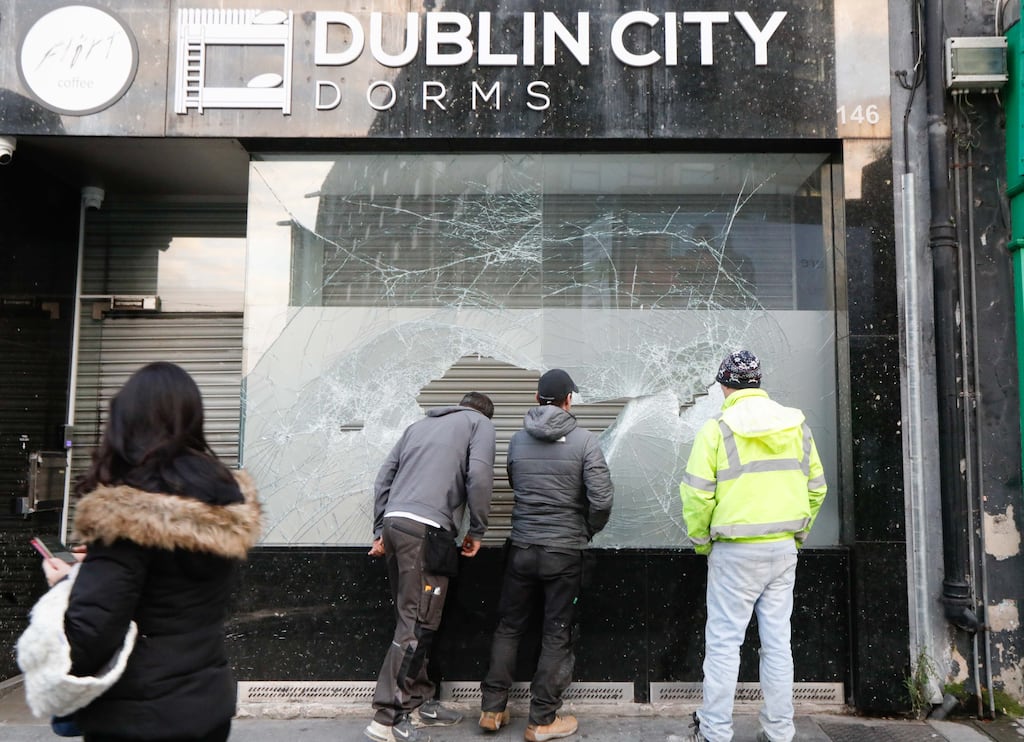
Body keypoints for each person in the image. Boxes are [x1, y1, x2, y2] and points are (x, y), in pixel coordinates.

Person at [31, 361, 263, 742]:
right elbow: (172, 593)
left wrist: (65, 586)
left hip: (138, 714)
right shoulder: (222, 500)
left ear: (127, 422)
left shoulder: (125, 515)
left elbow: (89, 636)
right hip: (206, 704)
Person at [679, 350, 827, 742]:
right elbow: (817, 488)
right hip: (782, 551)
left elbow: (696, 495)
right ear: (758, 383)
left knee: (726, 646)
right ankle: (779, 732)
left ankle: (714, 732)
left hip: (734, 551)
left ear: (725, 386)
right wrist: (798, 534)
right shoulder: (797, 426)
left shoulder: (717, 428)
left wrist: (701, 543)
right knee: (778, 644)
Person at [479, 369, 614, 742]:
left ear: (537, 398)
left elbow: (513, 480)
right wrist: (585, 530)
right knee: (557, 633)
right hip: (564, 552)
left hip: (521, 548)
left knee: (509, 627)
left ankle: (492, 709)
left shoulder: (518, 440)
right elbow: (601, 499)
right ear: (569, 399)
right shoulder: (585, 441)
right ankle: (541, 721)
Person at [366, 392, 497, 742]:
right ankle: (387, 719)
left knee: (412, 617)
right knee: (419, 622)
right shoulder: (480, 424)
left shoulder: (419, 426)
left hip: (396, 525)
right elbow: (481, 477)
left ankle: (419, 700)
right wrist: (478, 530)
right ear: (487, 415)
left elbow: (384, 478)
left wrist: (380, 530)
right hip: (427, 531)